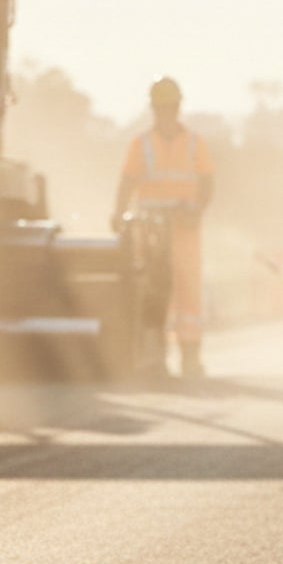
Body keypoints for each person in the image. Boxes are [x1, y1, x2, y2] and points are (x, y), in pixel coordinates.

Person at [112, 76, 215, 379]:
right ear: (154, 109)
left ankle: (190, 361)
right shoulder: (140, 145)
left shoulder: (195, 144)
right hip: (151, 232)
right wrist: (118, 213)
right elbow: (127, 181)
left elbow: (207, 182)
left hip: (184, 230)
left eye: (169, 107)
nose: (165, 113)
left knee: (189, 294)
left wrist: (197, 210)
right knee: (153, 295)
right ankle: (153, 361)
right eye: (161, 108)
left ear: (178, 107)